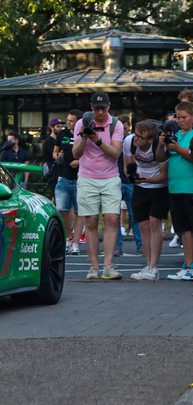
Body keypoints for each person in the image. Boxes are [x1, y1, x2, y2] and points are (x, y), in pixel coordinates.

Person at [72, 91, 124, 280]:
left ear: (109, 107)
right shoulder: (81, 123)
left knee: (111, 218)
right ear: (91, 108)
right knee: (91, 221)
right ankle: (94, 266)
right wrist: (85, 137)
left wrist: (97, 139)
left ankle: (108, 265)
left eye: (103, 108)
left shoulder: (116, 125)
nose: (100, 113)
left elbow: (116, 154)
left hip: (110, 177)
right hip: (87, 177)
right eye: (96, 109)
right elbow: (76, 154)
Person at [123, 120, 169, 281]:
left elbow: (164, 175)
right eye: (135, 134)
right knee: (142, 225)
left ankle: (154, 267)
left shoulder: (158, 144)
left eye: (140, 137)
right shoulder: (129, 141)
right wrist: (133, 178)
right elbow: (127, 166)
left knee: (155, 222)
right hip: (141, 185)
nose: (136, 139)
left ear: (150, 139)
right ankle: (148, 265)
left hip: (159, 186)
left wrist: (145, 180)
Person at [157, 101, 193, 280]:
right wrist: (161, 143)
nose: (180, 121)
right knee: (183, 230)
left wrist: (178, 148)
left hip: (190, 188)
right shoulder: (175, 133)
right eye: (178, 117)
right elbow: (160, 157)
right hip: (175, 188)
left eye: (184, 117)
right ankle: (187, 266)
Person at [53, 109, 84, 255]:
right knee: (62, 210)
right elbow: (55, 152)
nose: (68, 123)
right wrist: (57, 156)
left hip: (80, 178)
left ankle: (76, 243)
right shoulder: (62, 134)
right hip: (63, 176)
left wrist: (80, 161)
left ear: (79, 122)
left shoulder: (84, 134)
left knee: (80, 212)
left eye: (71, 120)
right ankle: (67, 239)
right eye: (68, 120)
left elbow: (91, 154)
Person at [115, 114, 143, 257]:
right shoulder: (115, 140)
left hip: (128, 181)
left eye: (125, 128)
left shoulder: (133, 140)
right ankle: (118, 246)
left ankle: (140, 245)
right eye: (121, 128)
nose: (123, 131)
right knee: (115, 216)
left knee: (135, 215)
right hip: (116, 180)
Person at [43, 118, 63, 200]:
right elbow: (55, 155)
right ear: (51, 127)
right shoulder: (48, 141)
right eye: (58, 126)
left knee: (57, 196)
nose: (60, 129)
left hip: (60, 172)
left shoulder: (60, 140)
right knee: (56, 196)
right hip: (53, 172)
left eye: (61, 127)